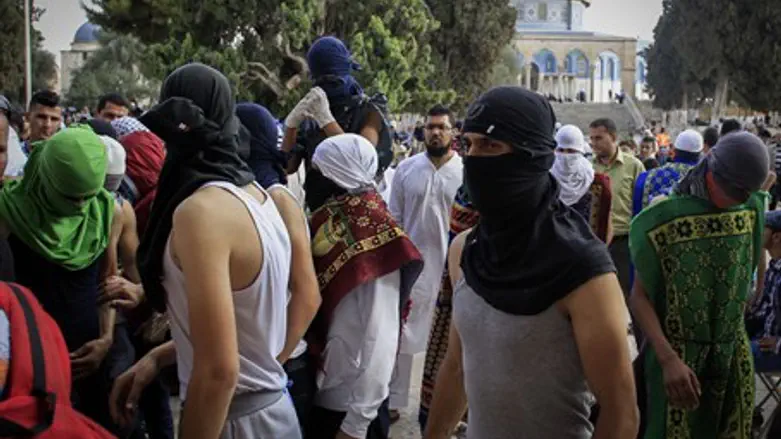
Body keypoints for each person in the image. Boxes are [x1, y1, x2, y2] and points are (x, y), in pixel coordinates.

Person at [424, 86, 638, 439]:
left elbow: (621, 414)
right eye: (470, 145)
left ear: (533, 156)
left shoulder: (583, 270)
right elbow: (458, 366)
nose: (475, 160)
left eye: (491, 145)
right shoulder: (466, 251)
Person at [114, 63, 302, 439]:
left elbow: (219, 371)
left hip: (232, 419)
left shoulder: (201, 212)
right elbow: (243, 328)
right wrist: (161, 355)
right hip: (270, 412)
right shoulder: (258, 197)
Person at [630, 131, 770, 439]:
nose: (741, 199)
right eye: (735, 191)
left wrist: (752, 292)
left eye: (747, 192)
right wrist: (668, 359)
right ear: (710, 172)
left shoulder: (749, 207)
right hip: (678, 361)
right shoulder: (664, 217)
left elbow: (754, 252)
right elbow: (638, 298)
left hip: (732, 355)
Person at [0, 126, 121, 434]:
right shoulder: (9, 212)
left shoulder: (108, 211)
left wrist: (105, 340)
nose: (81, 206)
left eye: (87, 196)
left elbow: (108, 282)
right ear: (49, 177)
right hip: (30, 372)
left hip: (89, 364)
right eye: (70, 196)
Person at [305, 134, 423, 439]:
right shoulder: (331, 218)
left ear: (337, 174)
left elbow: (382, 335)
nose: (309, 181)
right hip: (324, 390)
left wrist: (356, 425)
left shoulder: (372, 231)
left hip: (352, 408)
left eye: (317, 171)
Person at [236, 102, 322, 430]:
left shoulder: (278, 199)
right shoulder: (241, 195)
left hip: (280, 373)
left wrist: (273, 362)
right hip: (252, 372)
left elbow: (307, 295)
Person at [388, 104, 463, 418]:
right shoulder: (407, 169)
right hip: (415, 267)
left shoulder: (465, 172)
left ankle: (448, 409)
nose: (435, 132)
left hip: (455, 271)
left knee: (453, 341)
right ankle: (394, 402)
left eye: (441, 127)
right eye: (430, 127)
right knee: (403, 334)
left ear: (452, 131)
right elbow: (394, 218)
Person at [282, 36, 392, 212]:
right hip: (320, 213)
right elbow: (286, 168)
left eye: (333, 82)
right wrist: (291, 126)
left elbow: (359, 163)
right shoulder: (313, 112)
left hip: (359, 215)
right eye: (321, 82)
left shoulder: (369, 111)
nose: (327, 88)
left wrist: (326, 120)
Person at [418, 184, 479, 431]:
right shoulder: (466, 193)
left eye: (489, 145)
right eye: (471, 145)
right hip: (455, 298)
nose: (476, 155)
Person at [591, 117, 645, 298]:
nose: (593, 143)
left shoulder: (634, 166)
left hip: (623, 243)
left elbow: (642, 204)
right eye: (592, 139)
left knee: (625, 294)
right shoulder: (587, 167)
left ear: (613, 137)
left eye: (598, 138)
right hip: (594, 243)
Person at [632, 129, 704, 216]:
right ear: (701, 152)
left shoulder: (646, 178)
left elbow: (637, 217)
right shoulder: (707, 180)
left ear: (674, 150)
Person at [551, 124, 595, 219]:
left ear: (580, 152)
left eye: (571, 151)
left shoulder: (588, 176)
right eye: (561, 150)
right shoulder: (546, 175)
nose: (565, 155)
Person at [23, 90, 62, 155]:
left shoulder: (64, 158)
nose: (47, 125)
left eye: (54, 119)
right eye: (41, 117)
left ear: (60, 122)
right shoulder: (14, 154)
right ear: (27, 117)